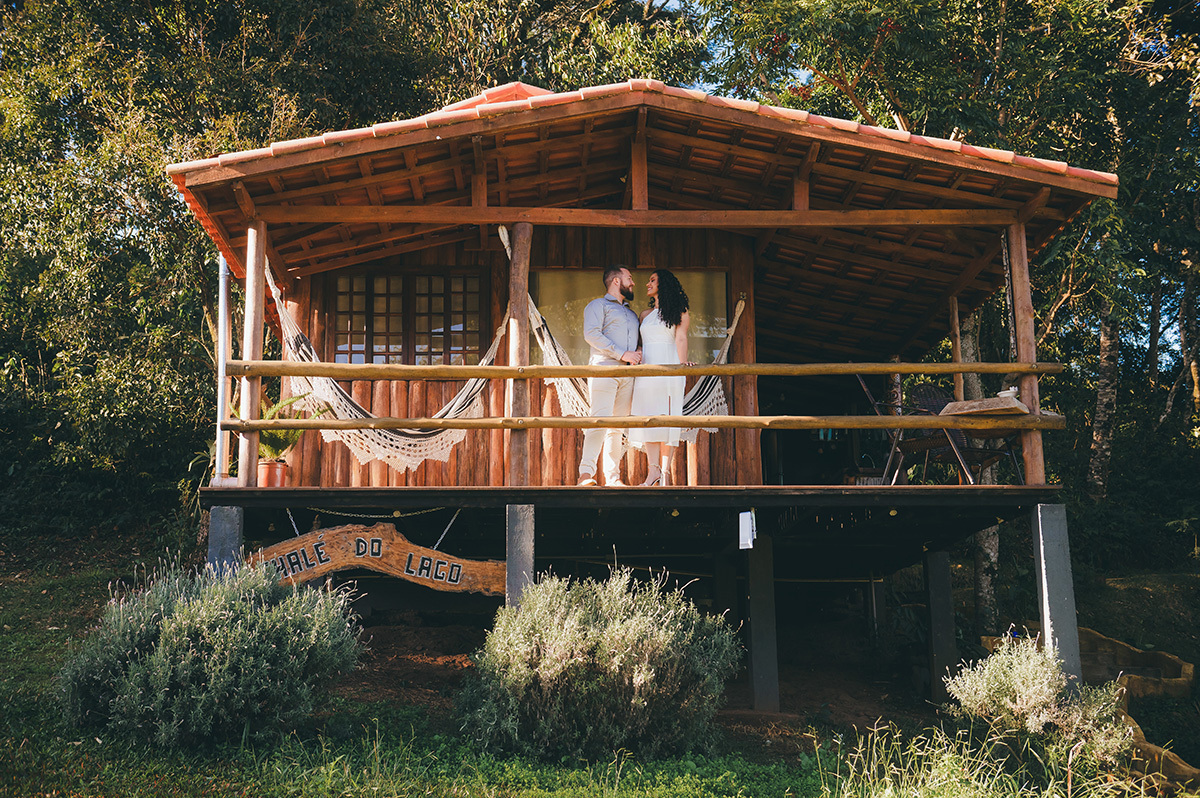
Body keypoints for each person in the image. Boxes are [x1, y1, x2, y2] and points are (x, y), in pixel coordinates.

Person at [577, 265, 641, 486]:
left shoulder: (632, 314)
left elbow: (637, 343)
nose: (633, 282)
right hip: (604, 369)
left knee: (617, 427)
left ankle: (613, 477)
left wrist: (638, 351)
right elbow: (591, 334)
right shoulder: (598, 305)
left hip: (628, 374)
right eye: (629, 278)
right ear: (616, 281)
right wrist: (622, 353)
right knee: (599, 420)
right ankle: (586, 474)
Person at [628, 269, 693, 486]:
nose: (648, 284)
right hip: (647, 370)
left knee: (669, 418)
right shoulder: (645, 315)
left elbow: (681, 338)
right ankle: (653, 471)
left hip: (669, 368)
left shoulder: (680, 311)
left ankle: (665, 473)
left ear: (663, 284)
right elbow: (640, 344)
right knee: (649, 419)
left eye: (652, 280)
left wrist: (682, 365)